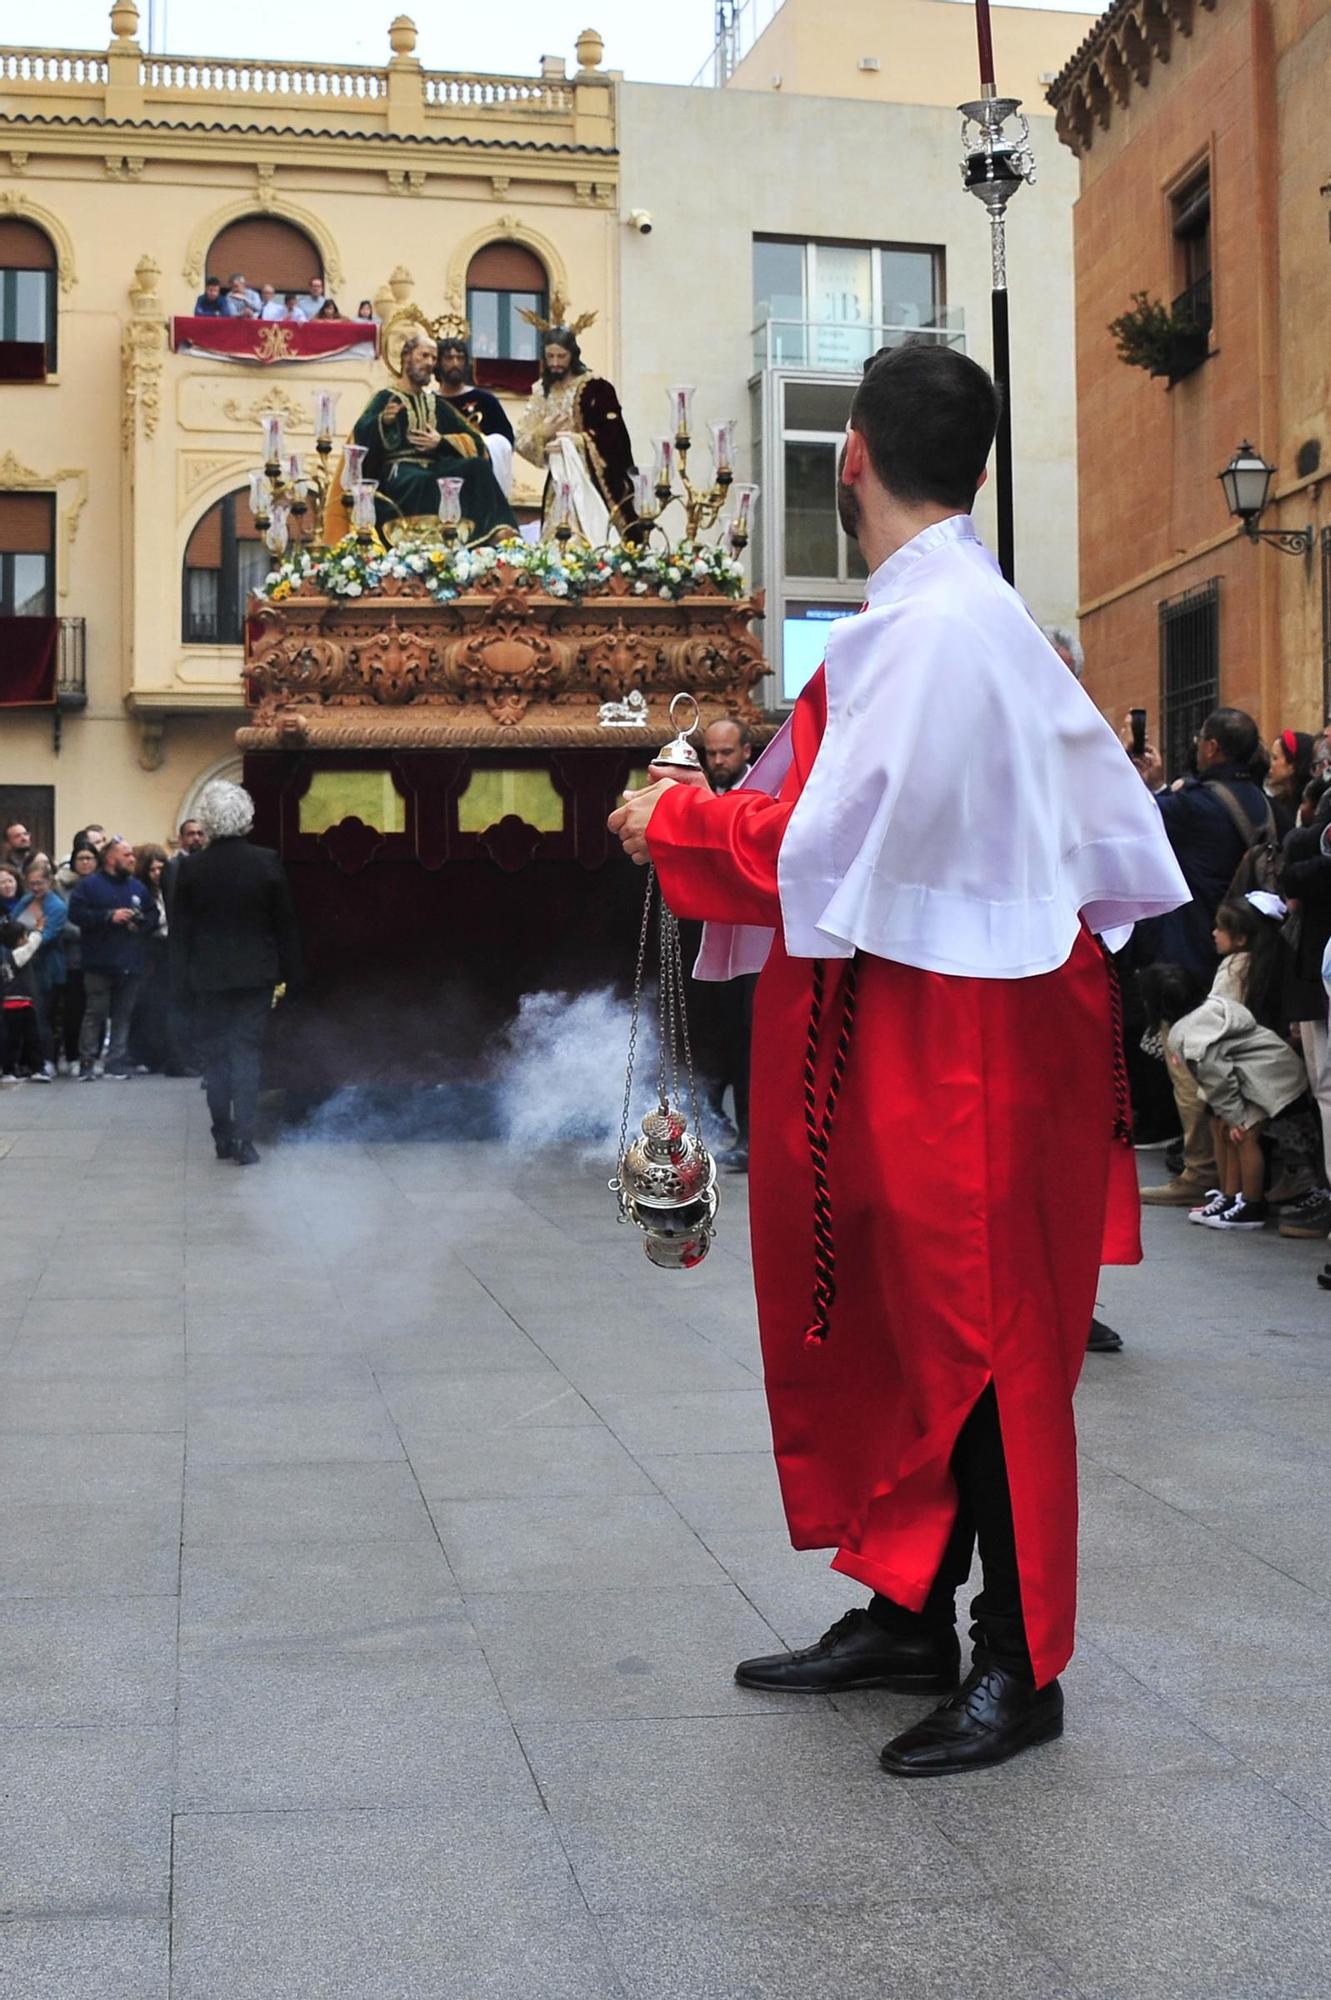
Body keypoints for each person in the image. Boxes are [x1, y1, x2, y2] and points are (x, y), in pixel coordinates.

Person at [609, 341, 1187, 1777]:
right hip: (927, 1021)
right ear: (974, 470)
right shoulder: (939, 620)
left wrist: (672, 825)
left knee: (981, 1340)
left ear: (846, 456)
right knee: (893, 1314)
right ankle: (910, 1608)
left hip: (964, 1041)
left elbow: (825, 842)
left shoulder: (936, 633)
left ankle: (1016, 1660)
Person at [1131, 706, 1274, 1207]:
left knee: (1188, 1059)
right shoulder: (1258, 800)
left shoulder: (1194, 803)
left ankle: (1199, 1169)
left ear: (1212, 747)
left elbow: (1137, 818)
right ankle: (1228, 1171)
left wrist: (1145, 781)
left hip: (1189, 950)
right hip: (1240, 953)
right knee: (1229, 1060)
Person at [171, 780, 301, 1165]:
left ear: (209, 820)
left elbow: (181, 934)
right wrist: (293, 976)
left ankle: (221, 1133)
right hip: (255, 975)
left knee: (216, 1058)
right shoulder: (266, 862)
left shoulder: (191, 869)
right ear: (246, 818)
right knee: (246, 1054)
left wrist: (179, 986)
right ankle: (245, 1139)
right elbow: (285, 924)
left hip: (208, 977)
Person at [1166, 896, 1307, 1232]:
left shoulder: (1237, 969)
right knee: (1227, 1128)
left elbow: (1219, 1035)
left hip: (1247, 1066)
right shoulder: (1253, 964)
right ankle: (1232, 1195)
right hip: (1241, 1063)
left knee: (1242, 1132)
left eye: (1221, 928)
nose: (1213, 933)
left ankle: (1249, 1201)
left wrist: (1231, 1111)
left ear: (1241, 938)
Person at [351, 331, 518, 541]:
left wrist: (442, 442)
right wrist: (383, 422)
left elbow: (476, 442)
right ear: (405, 358)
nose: (430, 363)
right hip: (400, 471)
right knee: (421, 480)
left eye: (433, 358)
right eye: (424, 356)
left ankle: (496, 531)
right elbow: (361, 435)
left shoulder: (437, 405)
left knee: (476, 466)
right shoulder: (385, 398)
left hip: (434, 468)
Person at [514, 321, 640, 543]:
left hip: (591, 477)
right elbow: (521, 439)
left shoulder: (596, 388)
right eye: (550, 357)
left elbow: (614, 435)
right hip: (558, 479)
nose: (555, 363)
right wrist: (542, 434)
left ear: (572, 354)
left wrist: (572, 441)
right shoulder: (542, 392)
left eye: (560, 356)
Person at [68, 837, 157, 1080]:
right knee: (95, 1013)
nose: (132, 859)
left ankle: (116, 1062)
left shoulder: (137, 887)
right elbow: (76, 914)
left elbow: (153, 914)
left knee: (123, 1014)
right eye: (126, 854)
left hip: (130, 961)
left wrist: (141, 925)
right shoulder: (89, 886)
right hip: (99, 961)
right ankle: (87, 1062)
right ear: (110, 858)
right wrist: (108, 917)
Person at [436, 336, 515, 496]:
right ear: (438, 363)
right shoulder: (430, 402)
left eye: (460, 358)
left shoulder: (485, 400)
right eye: (449, 358)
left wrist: (483, 444)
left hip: (479, 477)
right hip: (440, 477)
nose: (455, 363)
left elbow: (506, 439)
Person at [13, 855, 67, 1080]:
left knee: (42, 1017)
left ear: (50, 881)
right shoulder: (26, 901)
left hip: (46, 969)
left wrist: (24, 939)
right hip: (24, 967)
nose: (35, 888)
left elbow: (47, 936)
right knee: (26, 1016)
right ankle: (28, 1061)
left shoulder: (56, 906)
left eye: (39, 883)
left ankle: (46, 1061)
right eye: (31, 883)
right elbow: (11, 926)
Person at [129, 844, 171, 1073]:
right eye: (152, 870)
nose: (157, 874)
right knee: (147, 1003)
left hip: (169, 948)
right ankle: (144, 1053)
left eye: (161, 869)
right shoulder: (142, 893)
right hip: (150, 949)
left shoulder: (172, 889)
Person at [58, 840, 97, 1072]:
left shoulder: (103, 885)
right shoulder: (64, 888)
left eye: (89, 858)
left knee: (96, 1009)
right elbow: (64, 922)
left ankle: (92, 1056)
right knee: (74, 1009)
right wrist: (92, 932)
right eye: (81, 858)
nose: (85, 863)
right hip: (73, 957)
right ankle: (72, 1054)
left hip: (99, 957)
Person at [1266, 729, 1316, 839]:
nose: (1270, 764)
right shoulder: (1279, 801)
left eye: (1275, 758)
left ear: (1292, 766)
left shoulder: (1310, 809)